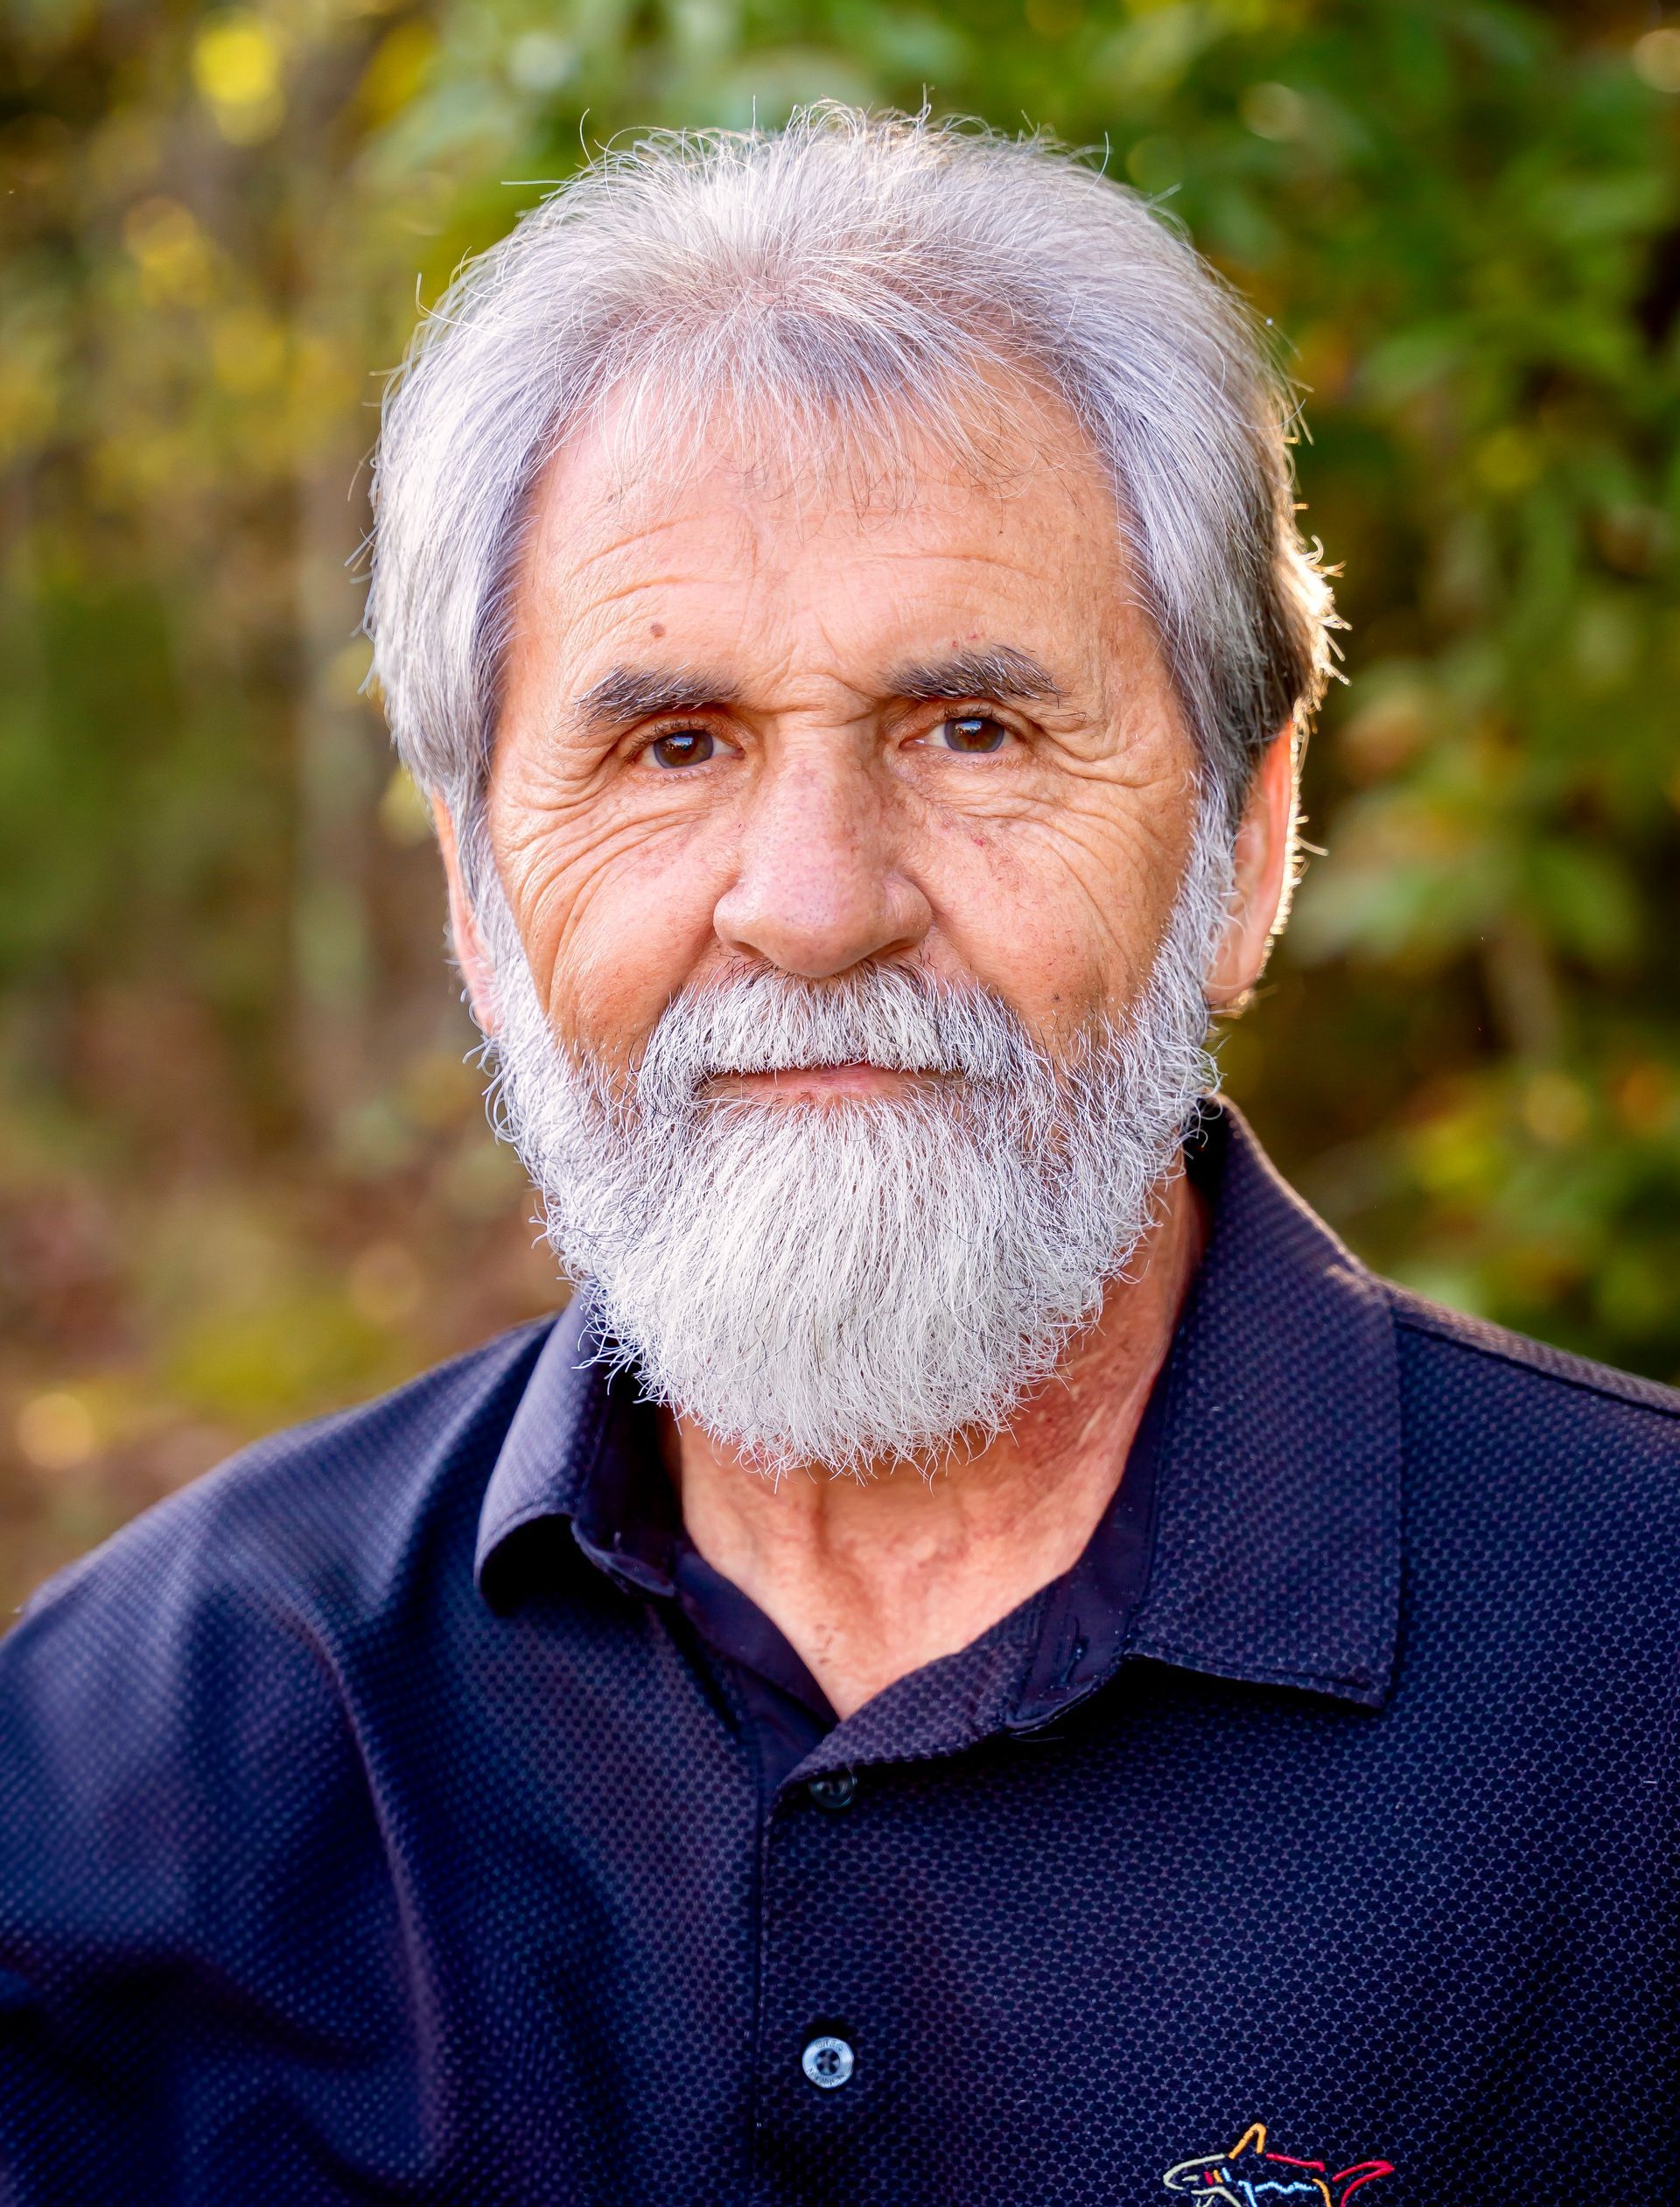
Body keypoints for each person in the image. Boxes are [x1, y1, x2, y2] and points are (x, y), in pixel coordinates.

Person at [2, 109, 1675, 2207]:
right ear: (477, 899)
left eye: (971, 731)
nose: (811, 900)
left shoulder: (1649, 1688)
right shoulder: (123, 1764)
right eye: (670, 744)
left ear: (1246, 846)